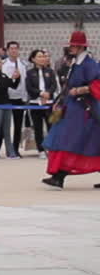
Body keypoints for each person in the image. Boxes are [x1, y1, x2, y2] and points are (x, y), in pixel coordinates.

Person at [42, 30, 100, 189]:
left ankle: (58, 176)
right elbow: (67, 86)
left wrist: (80, 90)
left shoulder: (90, 64)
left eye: (73, 46)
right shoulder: (75, 63)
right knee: (67, 139)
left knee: (72, 140)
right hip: (72, 107)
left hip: (85, 110)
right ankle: (57, 176)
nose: (71, 49)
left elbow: (97, 85)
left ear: (80, 47)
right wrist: (59, 101)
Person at [25, 49, 59, 157]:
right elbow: (29, 88)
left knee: (51, 127)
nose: (42, 59)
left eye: (43, 56)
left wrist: (48, 93)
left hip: (49, 103)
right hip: (35, 103)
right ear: (33, 59)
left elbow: (53, 85)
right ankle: (40, 150)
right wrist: (41, 93)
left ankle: (50, 148)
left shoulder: (50, 71)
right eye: (39, 57)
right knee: (38, 128)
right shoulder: (29, 73)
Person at [2, 41, 30, 156]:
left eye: (16, 48)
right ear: (7, 50)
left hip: (20, 97)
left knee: (18, 125)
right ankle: (5, 148)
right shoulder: (3, 64)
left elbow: (25, 81)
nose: (14, 51)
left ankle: (15, 148)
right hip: (7, 97)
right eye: (11, 48)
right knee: (5, 125)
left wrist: (26, 96)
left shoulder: (24, 64)